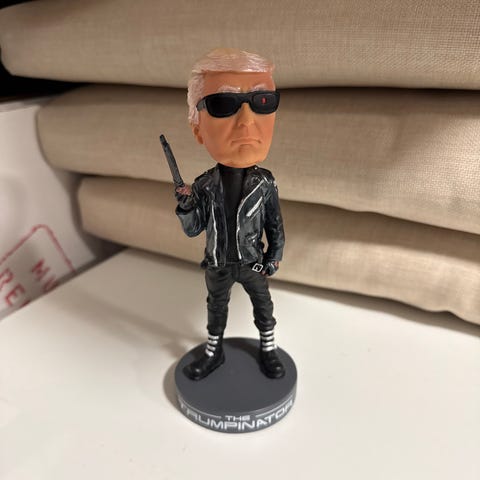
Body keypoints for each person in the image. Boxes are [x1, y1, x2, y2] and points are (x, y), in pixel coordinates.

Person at [175, 48, 285, 381]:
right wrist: (186, 206)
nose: (247, 121)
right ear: (198, 129)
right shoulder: (204, 185)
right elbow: (194, 228)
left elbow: (275, 226)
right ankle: (213, 352)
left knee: (263, 306)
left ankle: (268, 348)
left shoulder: (265, 183)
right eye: (223, 105)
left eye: (263, 101)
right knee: (215, 309)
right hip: (218, 263)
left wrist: (272, 259)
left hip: (252, 262)